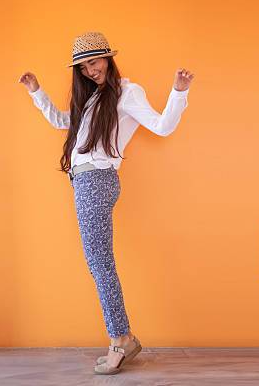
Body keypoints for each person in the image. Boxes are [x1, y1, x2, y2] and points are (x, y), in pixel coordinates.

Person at [18, 31, 194, 375]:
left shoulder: (127, 93)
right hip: (84, 182)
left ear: (108, 59)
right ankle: (121, 337)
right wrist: (35, 91)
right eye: (83, 67)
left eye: (94, 62)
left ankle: (121, 339)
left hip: (96, 182)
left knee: (100, 265)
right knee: (99, 263)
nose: (90, 70)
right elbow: (60, 121)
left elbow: (162, 126)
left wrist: (179, 92)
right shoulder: (93, 98)